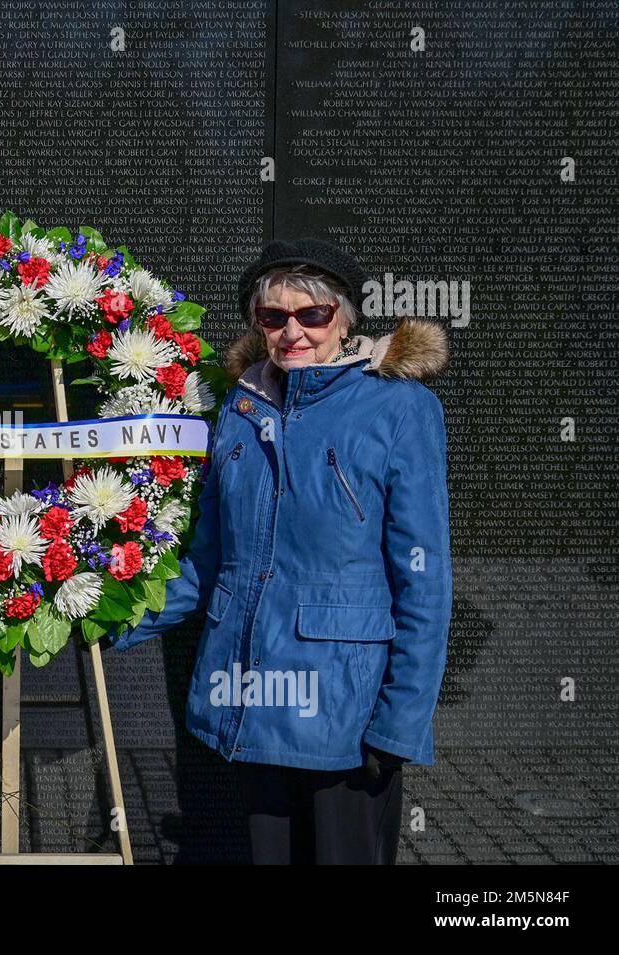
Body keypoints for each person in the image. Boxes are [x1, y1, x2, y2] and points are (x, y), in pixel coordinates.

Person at [115, 238, 452, 864]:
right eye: (273, 317)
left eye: (312, 315)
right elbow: (206, 562)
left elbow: (423, 581)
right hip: (248, 699)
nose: (292, 331)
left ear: (345, 318)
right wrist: (108, 619)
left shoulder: (401, 408)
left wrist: (401, 721)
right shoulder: (238, 409)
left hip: (345, 720)